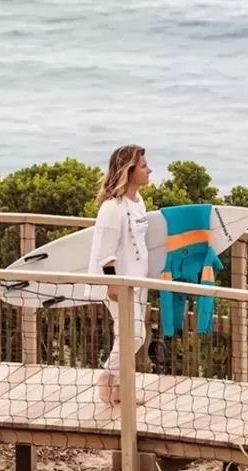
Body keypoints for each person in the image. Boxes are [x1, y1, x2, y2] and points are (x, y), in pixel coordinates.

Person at [87, 144, 152, 405]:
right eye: (144, 166)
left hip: (137, 280)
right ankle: (108, 376)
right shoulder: (112, 207)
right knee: (135, 335)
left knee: (127, 335)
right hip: (117, 284)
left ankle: (118, 392)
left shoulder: (138, 202)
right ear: (129, 170)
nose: (149, 170)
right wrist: (112, 283)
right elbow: (104, 250)